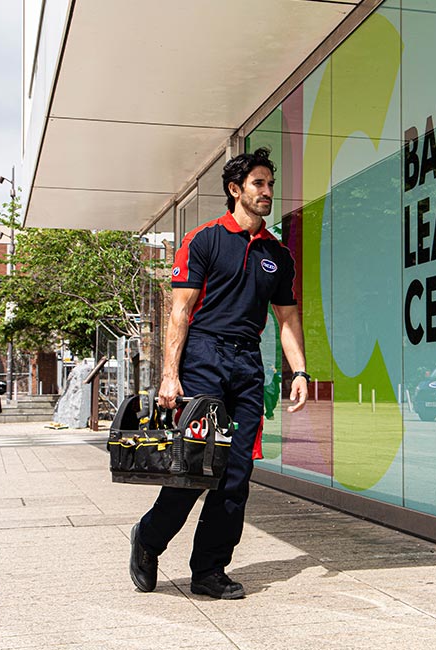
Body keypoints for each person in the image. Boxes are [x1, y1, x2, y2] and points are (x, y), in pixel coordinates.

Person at [129, 148, 309, 599]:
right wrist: (170, 375)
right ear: (235, 189)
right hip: (203, 358)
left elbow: (287, 319)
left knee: (236, 472)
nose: (268, 192)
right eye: (259, 184)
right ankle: (148, 539)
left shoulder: (277, 254)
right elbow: (180, 312)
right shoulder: (205, 239)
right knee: (195, 466)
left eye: (271, 184)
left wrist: (300, 371)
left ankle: (209, 570)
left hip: (247, 363)